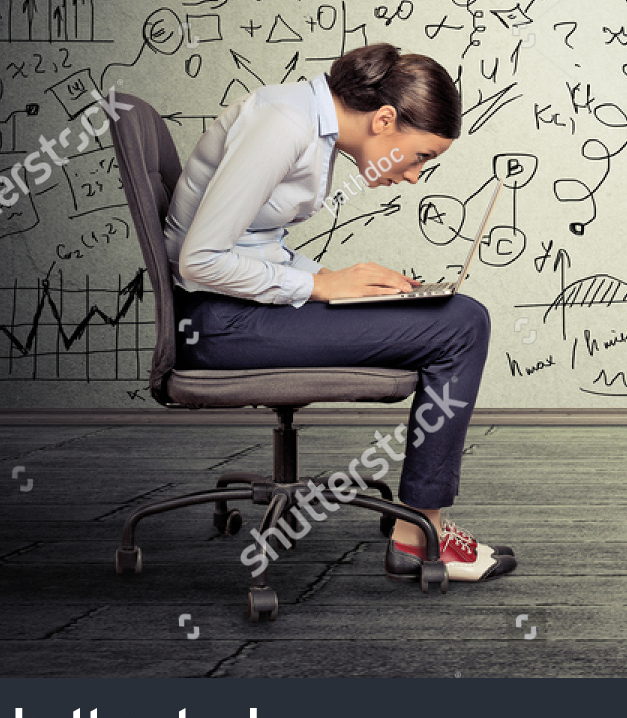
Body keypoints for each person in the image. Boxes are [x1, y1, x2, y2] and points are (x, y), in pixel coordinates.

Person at [164, 42, 515, 583]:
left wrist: (347, 285)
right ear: (385, 120)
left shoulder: (303, 120)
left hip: (234, 312)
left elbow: (253, 243)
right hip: (219, 323)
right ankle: (422, 536)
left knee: (453, 316)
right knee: (463, 325)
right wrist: (321, 285)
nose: (416, 175)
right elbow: (201, 260)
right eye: (421, 155)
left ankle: (421, 530)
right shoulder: (284, 125)